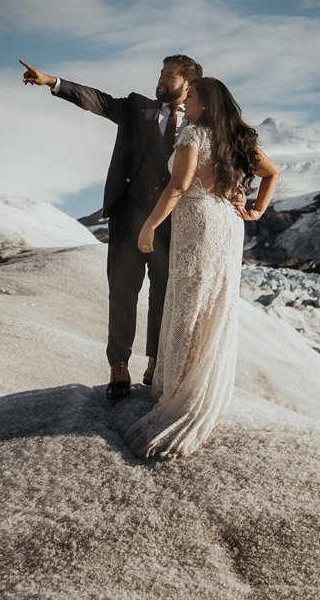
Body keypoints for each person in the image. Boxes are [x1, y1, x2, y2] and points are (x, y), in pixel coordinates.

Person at [19, 54, 204, 399]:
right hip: (129, 217)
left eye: (169, 75)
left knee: (165, 294)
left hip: (172, 223)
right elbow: (97, 101)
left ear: (188, 84)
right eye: (161, 73)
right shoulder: (137, 107)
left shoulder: (200, 124)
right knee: (122, 292)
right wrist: (52, 82)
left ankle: (154, 363)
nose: (161, 79)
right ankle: (119, 367)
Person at [123, 75, 279, 460]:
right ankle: (199, 385)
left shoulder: (193, 135)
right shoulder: (238, 137)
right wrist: (256, 210)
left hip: (199, 223)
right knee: (212, 302)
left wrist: (150, 224)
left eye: (191, 97)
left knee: (189, 302)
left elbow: (177, 187)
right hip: (228, 224)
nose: (185, 102)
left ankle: (178, 391)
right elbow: (272, 173)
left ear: (205, 104)